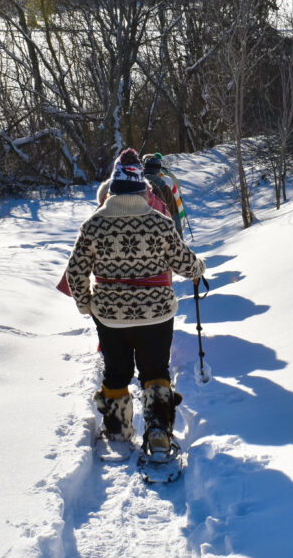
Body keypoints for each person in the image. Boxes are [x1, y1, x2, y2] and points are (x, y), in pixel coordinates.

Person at [66, 148, 206, 453]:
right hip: (156, 315)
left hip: (110, 317)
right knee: (155, 371)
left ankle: (117, 430)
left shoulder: (93, 225)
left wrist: (85, 303)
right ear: (142, 187)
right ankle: (158, 430)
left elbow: (75, 272)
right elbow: (184, 263)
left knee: (116, 372)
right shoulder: (160, 223)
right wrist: (199, 269)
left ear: (113, 187)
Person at [141, 153, 183, 236]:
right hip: (162, 232)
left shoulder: (137, 186)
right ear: (158, 170)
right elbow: (174, 214)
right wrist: (179, 237)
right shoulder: (164, 187)